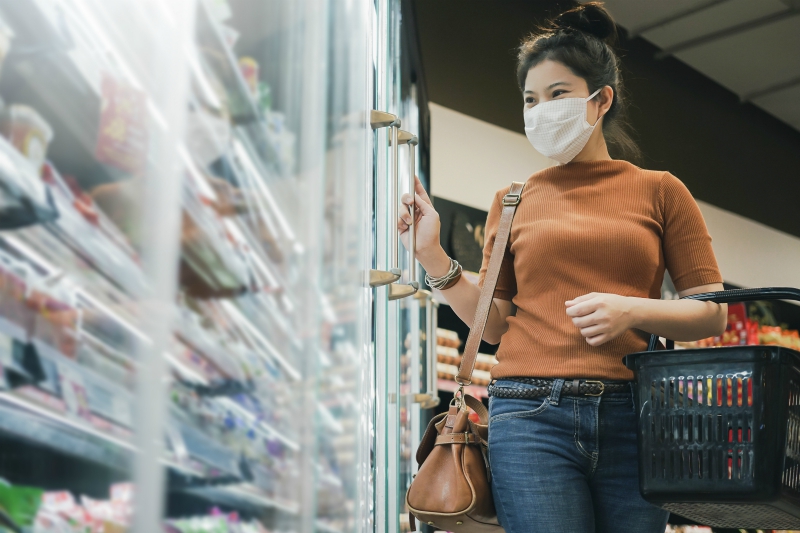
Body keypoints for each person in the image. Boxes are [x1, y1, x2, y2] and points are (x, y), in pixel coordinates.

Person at [397, 3, 727, 532]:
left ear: (601, 101)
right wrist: (432, 254)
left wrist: (631, 310)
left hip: (635, 417)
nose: (541, 110)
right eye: (530, 99)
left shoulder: (661, 191)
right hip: (529, 415)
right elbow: (496, 322)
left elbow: (712, 314)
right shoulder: (513, 200)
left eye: (558, 95)